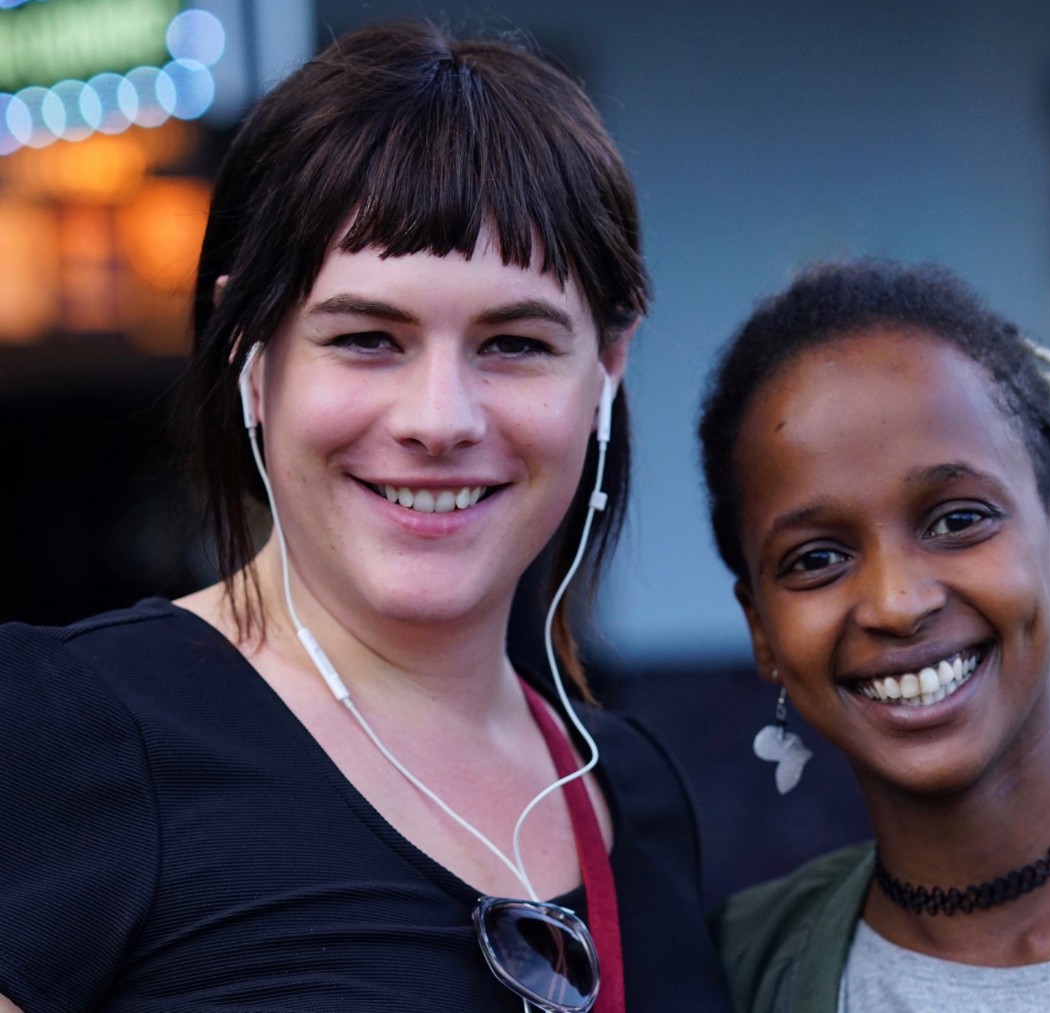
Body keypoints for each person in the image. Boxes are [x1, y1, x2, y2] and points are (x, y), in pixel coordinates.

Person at [0, 20, 733, 1012]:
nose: (440, 419)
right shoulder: (70, 730)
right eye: (367, 339)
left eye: (513, 343)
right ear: (251, 357)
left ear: (606, 368)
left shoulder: (630, 789)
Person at [699, 260, 1050, 1012]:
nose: (897, 602)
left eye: (958, 519)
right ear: (763, 629)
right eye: (817, 558)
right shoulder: (730, 971)